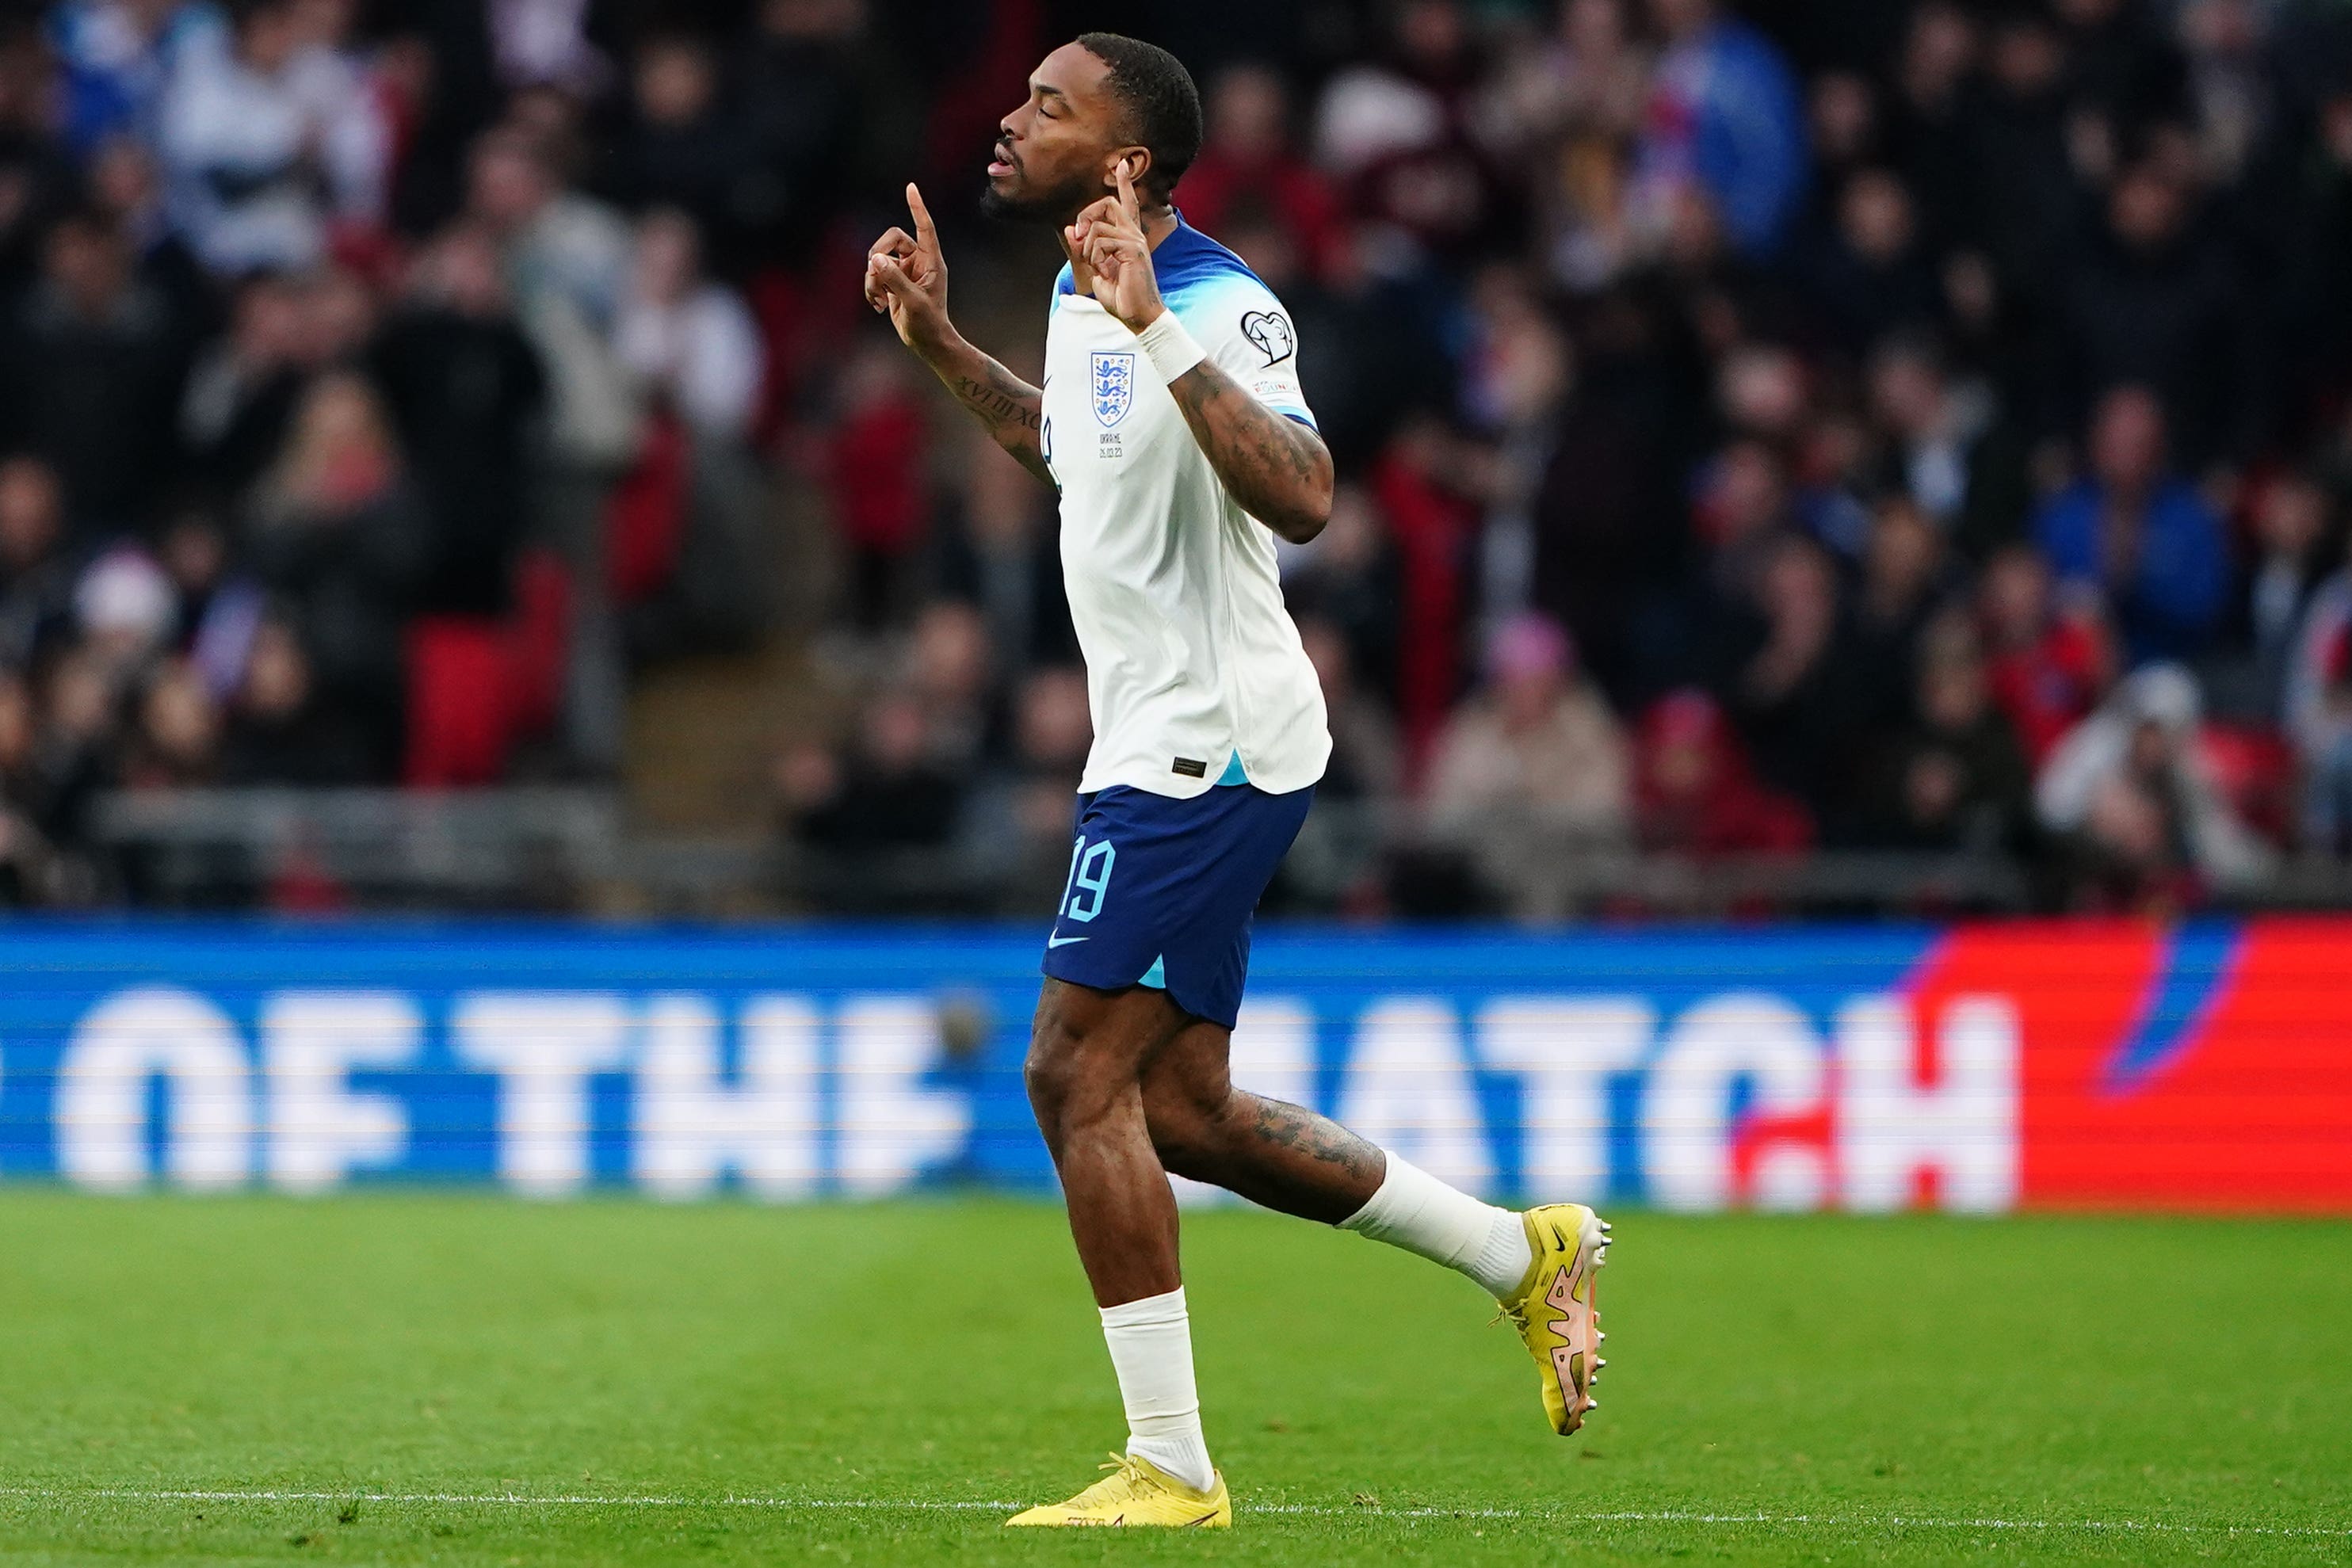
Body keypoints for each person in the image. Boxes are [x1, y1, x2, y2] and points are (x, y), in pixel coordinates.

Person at [863, 33, 1609, 1530]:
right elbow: (1074, 456)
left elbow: (1311, 496)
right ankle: (1522, 1256)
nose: (1009, 123)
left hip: (1212, 745)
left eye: (1048, 110)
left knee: (1070, 1074)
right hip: (1160, 741)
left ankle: (1174, 1466)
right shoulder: (1084, 290)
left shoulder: (1217, 300)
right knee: (1183, 1111)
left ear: (1128, 163)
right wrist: (947, 345)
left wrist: (1167, 333)